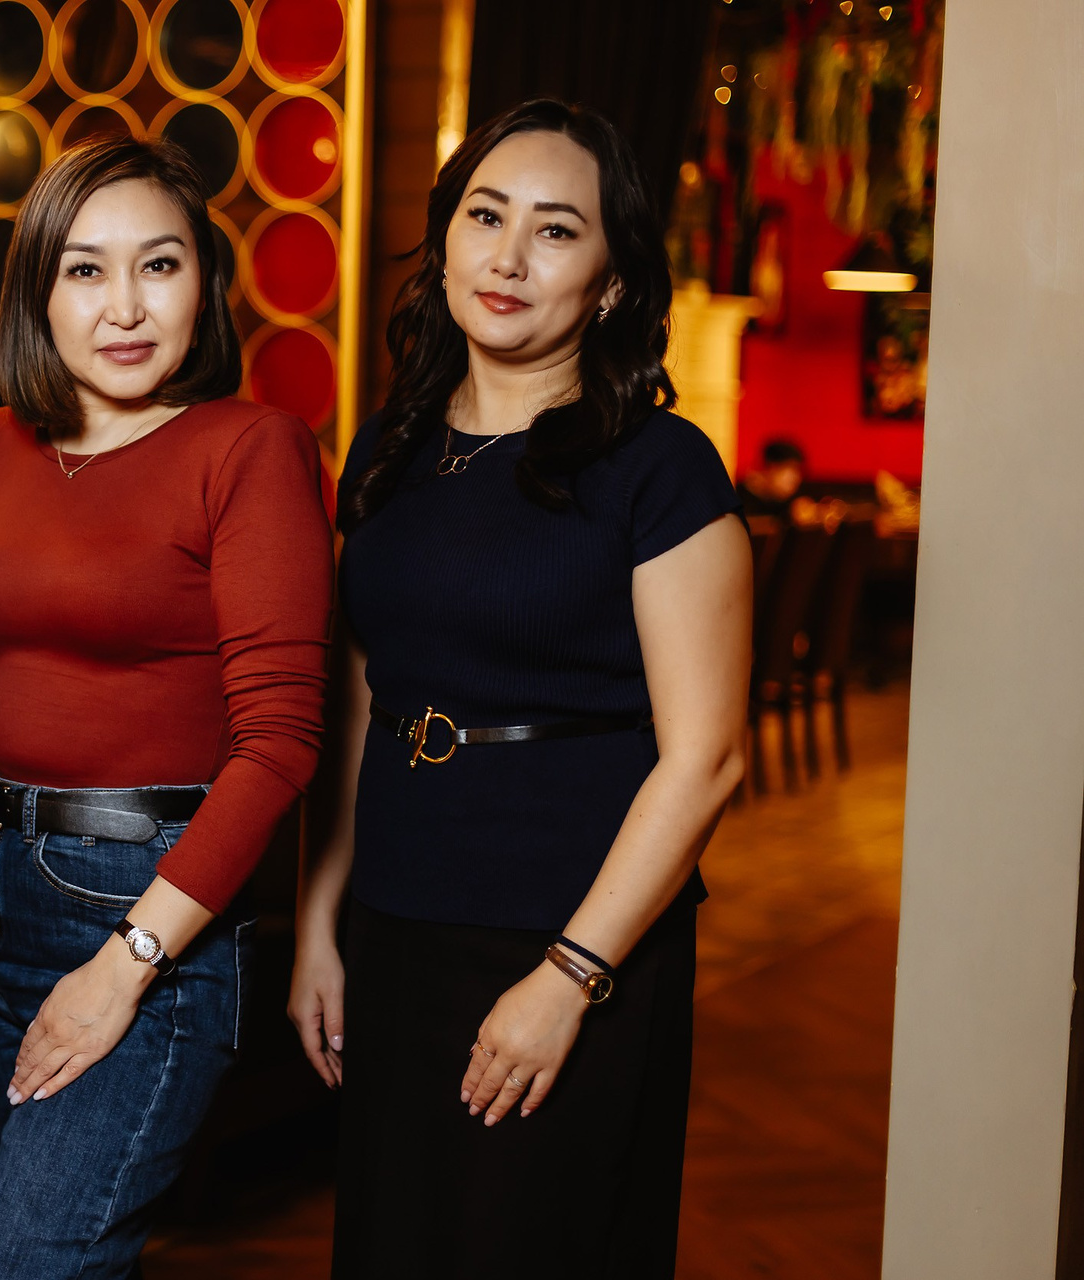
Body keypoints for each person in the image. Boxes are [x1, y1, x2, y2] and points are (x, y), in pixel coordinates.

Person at [288, 98, 750, 1275]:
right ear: (445, 239)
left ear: (610, 282)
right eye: (485, 216)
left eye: (555, 230)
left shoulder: (660, 468)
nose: (507, 256)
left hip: (572, 926)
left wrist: (570, 975)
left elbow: (707, 757)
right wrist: (320, 917)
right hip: (397, 917)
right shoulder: (388, 446)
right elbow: (361, 691)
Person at [0, 135, 332, 1278]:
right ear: (39, 290)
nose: (125, 306)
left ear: (204, 283)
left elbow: (280, 743)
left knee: (22, 1262)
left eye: (159, 264)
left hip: (144, 915)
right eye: (85, 269)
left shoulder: (251, 447)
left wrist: (126, 963)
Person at [740, 437, 807, 518]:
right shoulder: (739, 500)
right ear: (770, 468)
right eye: (790, 469)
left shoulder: (790, 505)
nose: (796, 478)